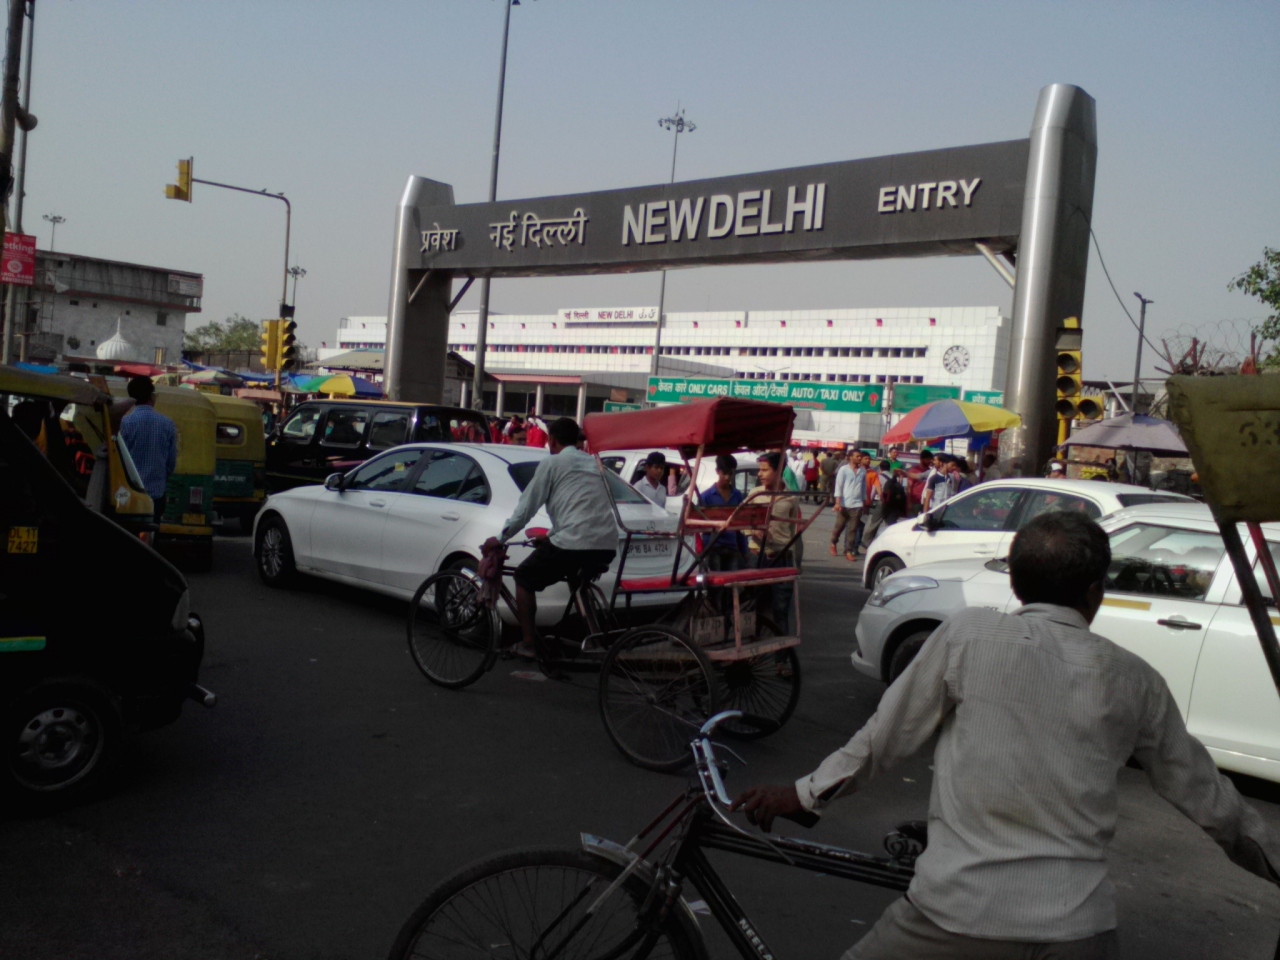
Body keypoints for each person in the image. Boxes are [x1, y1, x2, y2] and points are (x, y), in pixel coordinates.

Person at [731, 511, 1280, 959]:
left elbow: (884, 738)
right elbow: (1210, 800)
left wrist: (804, 795)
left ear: (1014, 582)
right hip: (1078, 928)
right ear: (1096, 592)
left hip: (957, 914)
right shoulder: (1136, 679)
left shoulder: (970, 636)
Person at [495, 417, 617, 678]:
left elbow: (525, 509)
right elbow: (583, 508)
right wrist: (551, 535)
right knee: (574, 576)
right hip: (606, 544)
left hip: (574, 542)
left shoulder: (551, 463)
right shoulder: (594, 463)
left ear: (551, 439)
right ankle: (592, 638)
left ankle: (528, 645)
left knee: (524, 576)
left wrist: (501, 538)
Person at [746, 452, 800, 632]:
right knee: (755, 606)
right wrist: (753, 530)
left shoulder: (791, 497)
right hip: (757, 558)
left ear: (779, 470)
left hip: (782, 558)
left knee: (781, 609)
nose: (759, 474)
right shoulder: (754, 494)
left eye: (764, 470)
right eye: (759, 470)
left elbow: (793, 530)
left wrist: (795, 562)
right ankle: (754, 644)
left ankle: (782, 649)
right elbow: (741, 521)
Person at [119, 376, 178, 523]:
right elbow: (171, 463)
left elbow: (119, 459)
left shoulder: (124, 423)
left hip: (129, 493)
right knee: (152, 530)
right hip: (156, 494)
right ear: (151, 397)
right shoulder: (167, 424)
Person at [698, 453, 747, 571]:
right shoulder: (706, 497)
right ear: (717, 471)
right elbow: (699, 525)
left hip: (732, 547)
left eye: (730, 473)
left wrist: (744, 550)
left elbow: (740, 526)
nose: (727, 477)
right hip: (712, 547)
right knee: (715, 581)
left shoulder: (737, 495)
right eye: (724, 473)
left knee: (731, 581)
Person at [830, 449, 864, 561]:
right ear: (850, 457)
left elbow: (864, 487)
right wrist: (837, 502)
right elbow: (838, 486)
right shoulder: (843, 470)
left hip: (857, 504)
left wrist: (864, 501)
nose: (859, 458)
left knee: (852, 529)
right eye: (857, 456)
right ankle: (833, 542)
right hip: (844, 504)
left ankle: (849, 550)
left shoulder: (862, 471)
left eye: (860, 456)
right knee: (839, 527)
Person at [861, 460, 905, 544]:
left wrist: (869, 501)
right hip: (892, 503)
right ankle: (889, 541)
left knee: (874, 522)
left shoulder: (879, 476)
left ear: (880, 468)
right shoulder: (894, 477)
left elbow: (874, 490)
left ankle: (866, 541)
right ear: (889, 468)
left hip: (880, 502)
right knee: (890, 523)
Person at [905, 448, 935, 517]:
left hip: (926, 501)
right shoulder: (913, 470)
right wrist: (909, 503)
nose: (929, 461)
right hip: (915, 502)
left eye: (930, 459)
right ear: (921, 459)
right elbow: (909, 487)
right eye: (927, 459)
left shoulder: (930, 471)